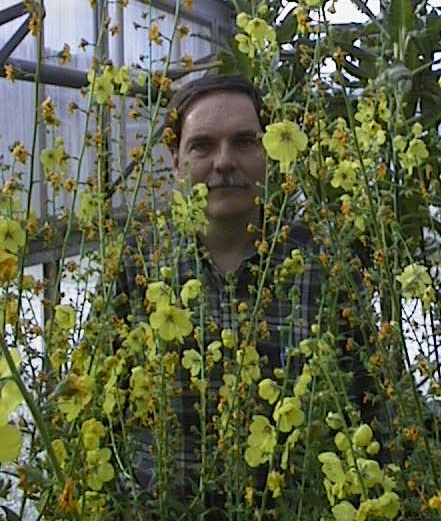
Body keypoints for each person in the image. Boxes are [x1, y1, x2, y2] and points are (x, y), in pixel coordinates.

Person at [112, 74, 383, 518]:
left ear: (272, 154)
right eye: (202, 145)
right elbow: (96, 411)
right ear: (176, 161)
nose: (224, 162)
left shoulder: (327, 264)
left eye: (244, 142)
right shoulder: (137, 263)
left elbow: (376, 409)